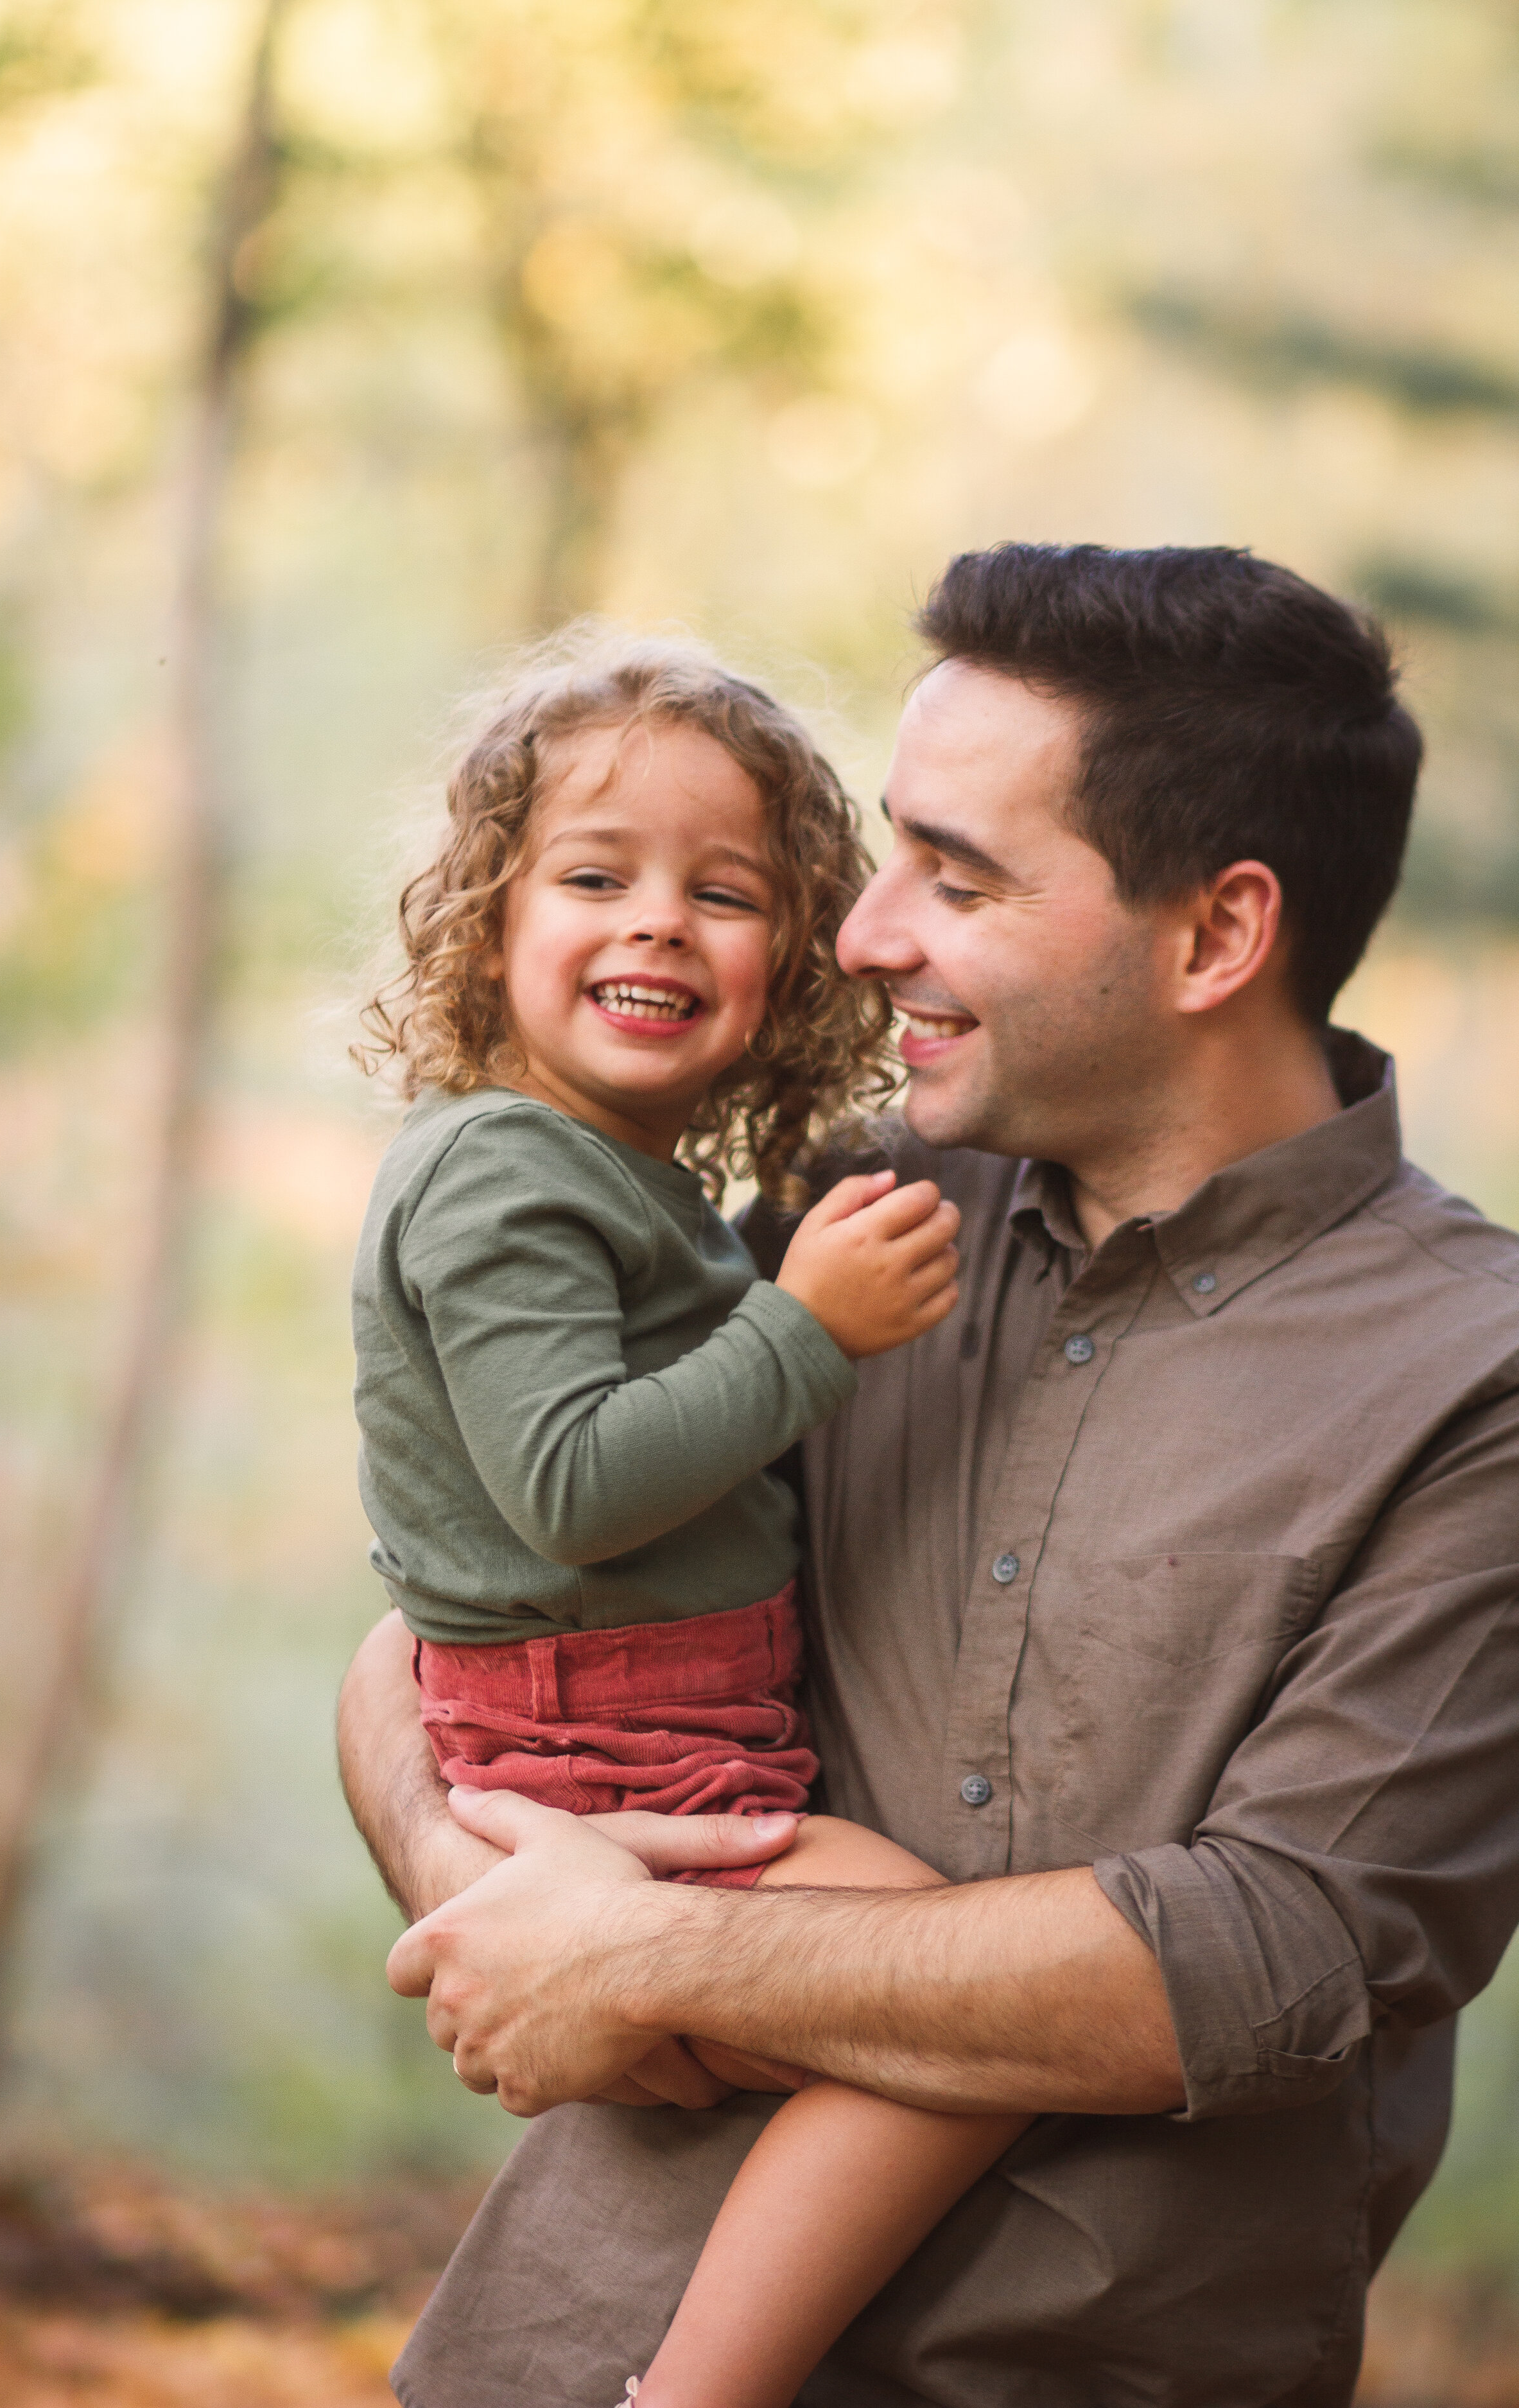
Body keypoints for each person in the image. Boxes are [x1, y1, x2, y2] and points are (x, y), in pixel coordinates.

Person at [342, 545, 1519, 2408]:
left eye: (953, 878)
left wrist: (645, 1951)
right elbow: (475, 1604)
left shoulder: (1472, 1383)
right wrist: (481, 1886)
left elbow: (1269, 1957)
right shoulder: (851, 1221)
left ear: (1216, 937)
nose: (861, 933)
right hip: (565, 2342)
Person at [347, 634, 1048, 2408]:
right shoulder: (499, 1171)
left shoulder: (623, 1177)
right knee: (947, 2013)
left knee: (894, 2013)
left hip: (669, 1730)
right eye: (594, 876)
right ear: (487, 921)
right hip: (612, 1742)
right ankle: (698, 2393)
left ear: (794, 952)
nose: (657, 921)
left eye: (721, 892)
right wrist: (804, 1328)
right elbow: (570, 1487)